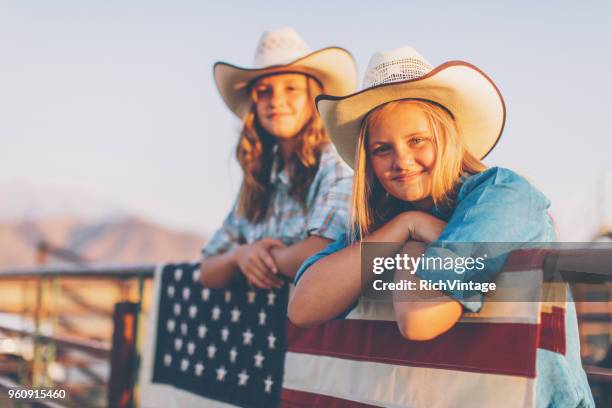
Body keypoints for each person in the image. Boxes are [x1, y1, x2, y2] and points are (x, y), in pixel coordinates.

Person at [288, 46, 594, 407]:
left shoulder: (504, 196)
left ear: (447, 137)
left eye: (417, 140)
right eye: (382, 149)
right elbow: (303, 307)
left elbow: (421, 316)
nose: (401, 161)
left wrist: (412, 248)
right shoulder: (385, 222)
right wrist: (407, 225)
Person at [199, 27, 356, 290]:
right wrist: (239, 256)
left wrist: (261, 258)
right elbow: (207, 269)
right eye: (264, 92)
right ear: (254, 105)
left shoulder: (336, 165)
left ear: (313, 98)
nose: (276, 101)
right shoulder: (258, 180)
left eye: (291, 88)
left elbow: (326, 249)